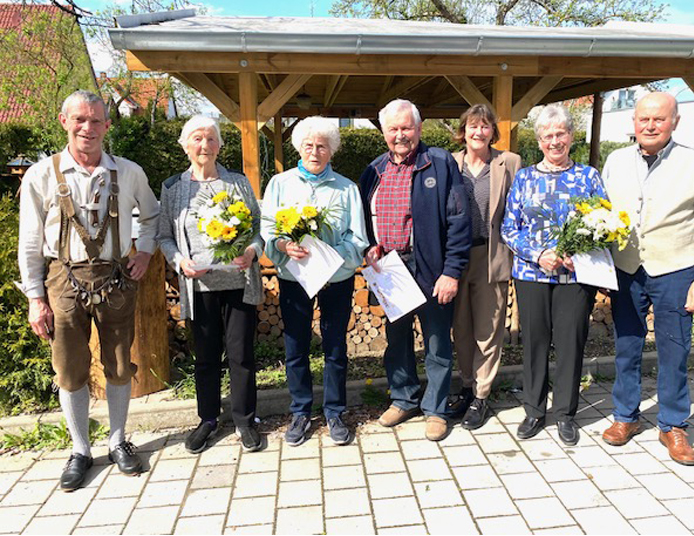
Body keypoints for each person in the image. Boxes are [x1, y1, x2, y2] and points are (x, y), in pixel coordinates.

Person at [18, 90, 159, 491]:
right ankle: (80, 449)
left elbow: (152, 216)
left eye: (96, 121)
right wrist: (34, 297)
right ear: (64, 121)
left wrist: (145, 253)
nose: (88, 128)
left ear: (107, 126)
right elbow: (29, 241)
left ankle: (117, 440)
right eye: (80, 119)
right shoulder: (41, 175)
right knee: (69, 368)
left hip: (116, 277)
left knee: (118, 363)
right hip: (62, 278)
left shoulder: (129, 172)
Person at [601, 92, 694, 465]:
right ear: (634, 123)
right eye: (644, 119)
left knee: (675, 349)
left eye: (659, 119)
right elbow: (602, 211)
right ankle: (626, 416)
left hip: (675, 268)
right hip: (628, 269)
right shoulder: (616, 160)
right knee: (626, 346)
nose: (650, 125)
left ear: (675, 121)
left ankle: (673, 424)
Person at [360, 99, 471, 442]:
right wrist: (368, 247)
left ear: (419, 129)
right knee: (397, 341)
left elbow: (459, 220)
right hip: (390, 270)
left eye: (406, 127)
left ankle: (435, 409)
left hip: (431, 268)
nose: (400, 135)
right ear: (383, 133)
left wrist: (451, 271)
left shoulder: (439, 163)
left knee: (437, 342)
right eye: (393, 129)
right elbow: (363, 221)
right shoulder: (373, 170)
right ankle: (403, 397)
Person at [157, 116, 264, 454]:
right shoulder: (173, 188)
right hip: (198, 286)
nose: (204, 146)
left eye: (211, 139)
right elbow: (163, 236)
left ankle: (245, 420)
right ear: (185, 145)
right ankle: (207, 419)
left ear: (220, 145)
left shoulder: (237, 182)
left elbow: (259, 230)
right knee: (205, 357)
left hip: (238, 282)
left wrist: (251, 251)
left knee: (241, 355)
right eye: (197, 139)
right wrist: (179, 261)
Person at [501, 104, 605, 446]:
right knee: (534, 343)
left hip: (575, 277)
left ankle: (565, 413)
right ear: (540, 140)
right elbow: (508, 228)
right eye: (548, 136)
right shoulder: (526, 177)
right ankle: (534, 410)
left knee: (571, 344)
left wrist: (581, 254)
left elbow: (605, 225)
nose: (555, 141)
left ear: (571, 137)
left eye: (561, 134)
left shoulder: (589, 177)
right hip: (532, 275)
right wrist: (537, 254)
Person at [262, 116, 368, 447]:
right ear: (299, 147)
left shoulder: (347, 188)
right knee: (296, 347)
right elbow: (267, 230)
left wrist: (333, 255)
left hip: (336, 278)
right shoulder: (280, 184)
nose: (315, 151)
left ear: (331, 150)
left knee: (335, 346)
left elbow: (358, 238)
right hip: (295, 277)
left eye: (322, 145)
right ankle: (300, 412)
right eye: (308, 145)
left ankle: (335, 410)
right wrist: (281, 245)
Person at [448, 104, 521, 430]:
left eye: (485, 126)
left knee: (487, 331)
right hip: (455, 258)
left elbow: (520, 208)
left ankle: (482, 395)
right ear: (463, 130)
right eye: (473, 126)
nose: (478, 132)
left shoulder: (510, 163)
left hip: (492, 256)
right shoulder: (449, 163)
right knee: (461, 329)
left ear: (493, 131)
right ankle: (466, 385)